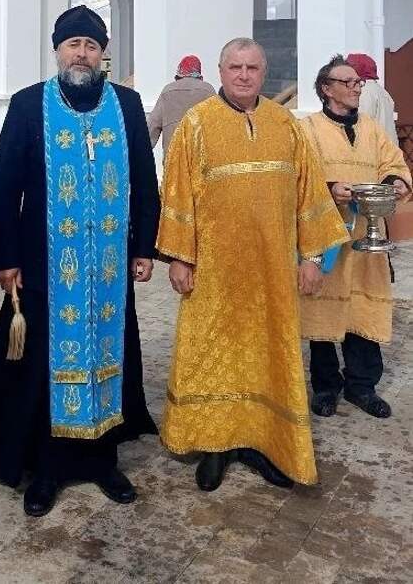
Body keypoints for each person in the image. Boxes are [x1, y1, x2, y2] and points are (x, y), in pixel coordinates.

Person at [0, 5, 160, 516]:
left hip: (110, 269)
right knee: (43, 364)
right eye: (73, 44)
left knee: (108, 355)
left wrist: (144, 247)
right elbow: (4, 187)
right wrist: (4, 258)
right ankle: (46, 469)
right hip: (45, 266)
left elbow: (146, 180)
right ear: (57, 50)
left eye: (91, 46)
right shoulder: (30, 104)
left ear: (103, 54)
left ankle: (103, 462)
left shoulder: (126, 105)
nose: (82, 53)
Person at [157, 37, 347, 493]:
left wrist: (312, 257)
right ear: (220, 72)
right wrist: (180, 256)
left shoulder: (285, 125)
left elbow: (309, 193)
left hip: (272, 272)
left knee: (268, 355)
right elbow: (178, 192)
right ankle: (216, 444)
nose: (244, 75)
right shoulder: (197, 124)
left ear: (264, 72)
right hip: (214, 273)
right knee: (213, 355)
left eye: (252, 68)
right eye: (235, 67)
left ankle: (263, 442)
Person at [300, 55, 411, 420]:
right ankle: (326, 387)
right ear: (326, 88)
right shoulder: (308, 129)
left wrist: (395, 181)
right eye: (346, 82)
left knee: (365, 306)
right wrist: (330, 187)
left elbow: (393, 162)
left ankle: (362, 386)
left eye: (358, 82)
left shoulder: (371, 128)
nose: (355, 88)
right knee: (322, 309)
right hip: (325, 235)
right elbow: (298, 176)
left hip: (367, 235)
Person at [147, 55, 215, 158]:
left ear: (178, 76)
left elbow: (152, 126)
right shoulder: (208, 90)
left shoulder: (168, 91)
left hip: (173, 160)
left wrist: (140, 153)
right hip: (201, 159)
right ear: (200, 76)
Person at [346, 53, 399, 144]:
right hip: (387, 148)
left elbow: (360, 125)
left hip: (375, 148)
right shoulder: (381, 91)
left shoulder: (364, 92)